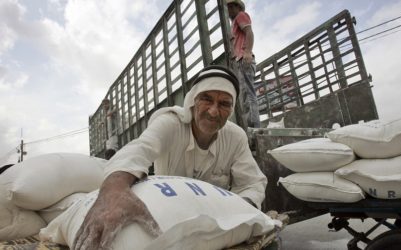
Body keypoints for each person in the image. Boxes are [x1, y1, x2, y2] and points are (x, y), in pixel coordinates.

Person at [74, 65, 268, 249]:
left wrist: (239, 213)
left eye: (224, 104)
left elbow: (251, 184)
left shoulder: (235, 137)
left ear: (231, 110)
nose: (213, 111)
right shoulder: (171, 124)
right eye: (206, 99)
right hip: (171, 216)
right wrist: (114, 190)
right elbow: (139, 150)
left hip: (215, 222)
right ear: (193, 100)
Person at [227, 0, 260, 129]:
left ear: (235, 6)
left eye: (229, 8)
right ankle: (249, 128)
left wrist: (247, 51)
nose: (228, 12)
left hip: (243, 59)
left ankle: (254, 130)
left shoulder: (241, 15)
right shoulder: (233, 23)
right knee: (243, 98)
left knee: (248, 96)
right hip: (239, 61)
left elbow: (249, 32)